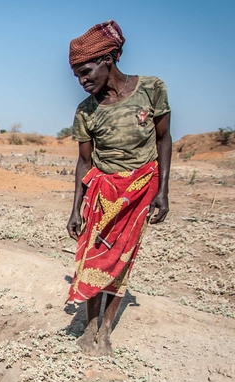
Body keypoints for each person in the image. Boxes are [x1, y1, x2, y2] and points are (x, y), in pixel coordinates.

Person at [65, 20, 172, 356]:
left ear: (109, 59)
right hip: (103, 192)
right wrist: (75, 209)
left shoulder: (151, 89)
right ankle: (91, 324)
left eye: (87, 71)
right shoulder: (86, 112)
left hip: (141, 188)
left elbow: (163, 139)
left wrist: (163, 191)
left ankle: (106, 329)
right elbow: (85, 162)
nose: (83, 81)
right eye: (77, 76)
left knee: (123, 259)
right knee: (95, 256)